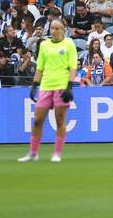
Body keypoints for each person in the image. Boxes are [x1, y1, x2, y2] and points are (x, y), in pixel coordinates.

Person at [18, 19, 77, 162]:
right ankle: (33, 153)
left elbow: (73, 66)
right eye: (52, 28)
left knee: (60, 120)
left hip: (61, 85)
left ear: (63, 30)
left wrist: (69, 85)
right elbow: (40, 67)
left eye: (58, 28)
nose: (54, 31)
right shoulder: (44, 45)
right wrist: (34, 85)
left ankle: (57, 153)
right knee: (38, 120)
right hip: (46, 85)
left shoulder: (69, 44)